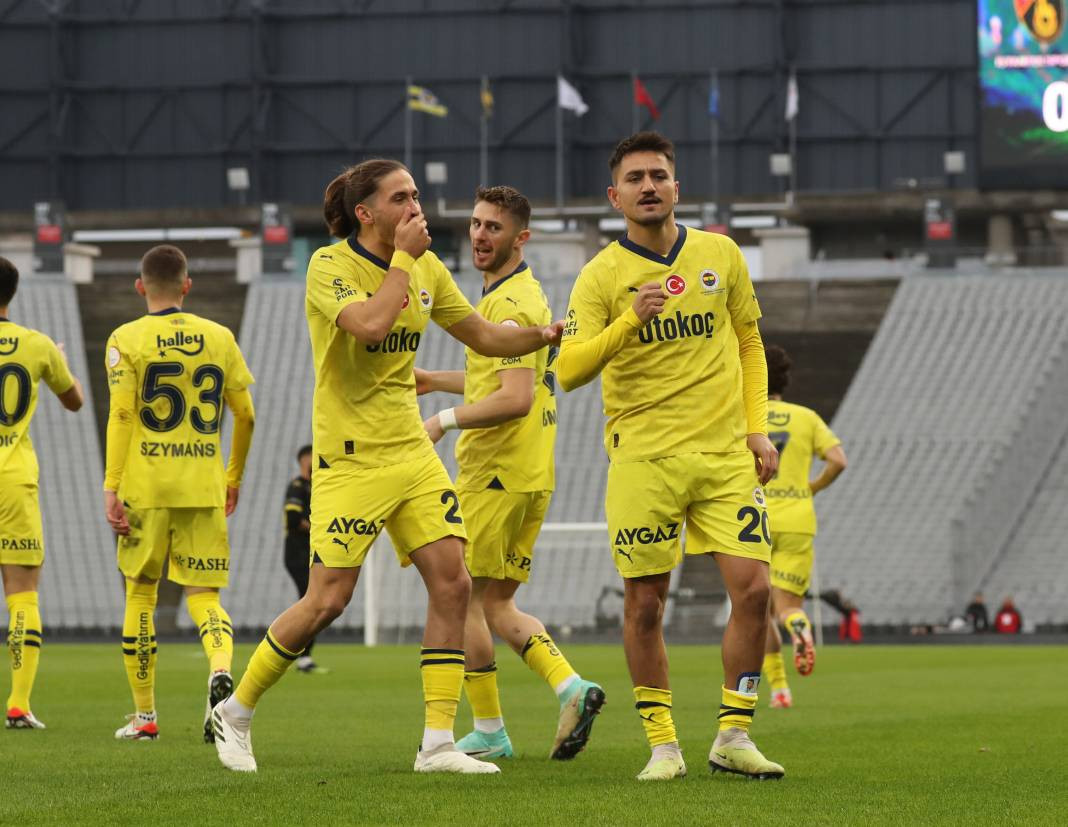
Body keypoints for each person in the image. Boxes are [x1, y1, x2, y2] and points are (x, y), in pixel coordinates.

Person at [211, 159, 564, 775]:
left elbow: (481, 335)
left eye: (417, 195)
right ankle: (235, 712)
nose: (416, 207)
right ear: (366, 213)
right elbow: (372, 328)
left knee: (454, 583)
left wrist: (543, 335)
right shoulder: (329, 267)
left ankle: (437, 743)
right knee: (328, 600)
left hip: (410, 449)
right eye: (401, 198)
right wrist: (402, 259)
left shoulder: (427, 266)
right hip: (350, 458)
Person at [557, 131, 782, 781]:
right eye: (635, 178)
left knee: (757, 588)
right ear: (615, 195)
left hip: (722, 454)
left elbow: (749, 342)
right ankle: (664, 746)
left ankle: (733, 733)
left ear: (676, 187)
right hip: (643, 459)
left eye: (659, 174)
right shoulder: (601, 275)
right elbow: (568, 369)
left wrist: (757, 428)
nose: (648, 185)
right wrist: (629, 320)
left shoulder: (721, 254)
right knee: (645, 604)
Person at [416, 185, 604, 763]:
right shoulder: (514, 295)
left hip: (495, 473)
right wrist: (435, 378)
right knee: (495, 606)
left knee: (461, 602)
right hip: (527, 471)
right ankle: (570, 688)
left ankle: (494, 727)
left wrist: (442, 420)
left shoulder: (511, 304)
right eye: (475, 224)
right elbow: (497, 375)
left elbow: (515, 398)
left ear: (520, 238)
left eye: (493, 227)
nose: (479, 235)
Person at [103, 244, 255, 742]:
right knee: (204, 595)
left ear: (140, 286)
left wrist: (111, 487)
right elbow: (246, 415)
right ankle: (218, 669)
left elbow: (123, 414)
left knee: (142, 594)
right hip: (204, 484)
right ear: (187, 286)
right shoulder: (220, 337)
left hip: (146, 487)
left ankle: (145, 717)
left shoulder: (126, 338)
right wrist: (232, 477)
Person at [0, 256, 84, 730]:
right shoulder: (34, 344)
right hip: (13, 480)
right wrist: (61, 360)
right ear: (12, 294)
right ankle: (18, 704)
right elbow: (74, 401)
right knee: (22, 595)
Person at [760, 345, 847, 709]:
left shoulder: (744, 414)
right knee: (786, 607)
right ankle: (798, 624)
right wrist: (811, 487)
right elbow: (838, 461)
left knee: (755, 612)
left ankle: (779, 689)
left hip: (755, 518)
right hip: (797, 518)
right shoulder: (806, 417)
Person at [283, 444, 325, 673]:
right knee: (311, 601)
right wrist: (318, 528)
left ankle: (303, 655)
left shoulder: (315, 486)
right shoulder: (298, 486)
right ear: (302, 461)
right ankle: (301, 655)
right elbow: (292, 518)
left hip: (310, 550)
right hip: (297, 550)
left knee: (313, 600)